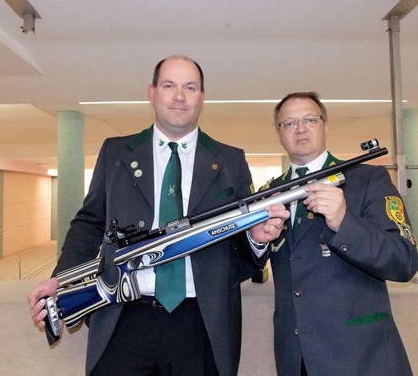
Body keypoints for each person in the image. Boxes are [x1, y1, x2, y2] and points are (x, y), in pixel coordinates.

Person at [28, 55, 289, 376]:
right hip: (123, 319)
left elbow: (240, 253)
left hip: (202, 325)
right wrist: (62, 279)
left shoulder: (230, 160)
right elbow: (89, 224)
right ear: (152, 93)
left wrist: (256, 240)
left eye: (189, 87)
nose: (179, 96)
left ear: (202, 98)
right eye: (169, 86)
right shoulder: (116, 152)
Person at [254, 92, 418, 376]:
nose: (300, 128)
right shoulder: (269, 193)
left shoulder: (368, 179)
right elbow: (248, 264)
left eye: (310, 120)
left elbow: (404, 261)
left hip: (360, 354)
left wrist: (345, 222)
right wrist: (257, 242)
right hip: (296, 356)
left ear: (326, 126)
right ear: (279, 133)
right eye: (289, 123)